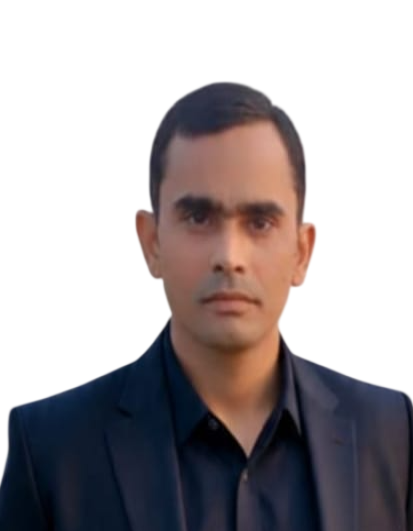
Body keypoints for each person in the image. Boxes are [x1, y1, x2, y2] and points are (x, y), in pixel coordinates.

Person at [0, 81, 412, 531]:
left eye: (260, 222)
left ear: (302, 251)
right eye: (199, 217)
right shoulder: (52, 452)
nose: (229, 256)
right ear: (152, 242)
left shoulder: (390, 435)